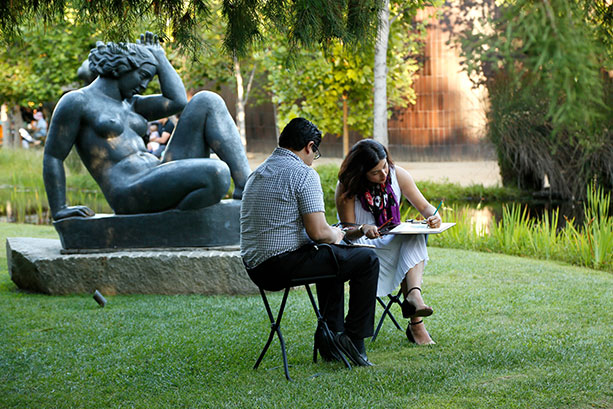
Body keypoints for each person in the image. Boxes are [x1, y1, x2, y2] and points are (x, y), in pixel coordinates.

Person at [43, 32, 251, 220]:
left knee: (207, 100)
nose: (143, 86)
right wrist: (59, 208)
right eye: (143, 76)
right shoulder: (77, 101)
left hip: (158, 173)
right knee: (216, 172)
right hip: (129, 190)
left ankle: (248, 190)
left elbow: (178, 101)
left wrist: (159, 58)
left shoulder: (133, 104)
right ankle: (175, 222)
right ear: (122, 67)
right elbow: (53, 156)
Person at [240, 118, 380, 366]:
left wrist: (331, 239)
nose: (313, 158)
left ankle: (329, 339)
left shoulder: (257, 173)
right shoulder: (303, 174)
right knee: (367, 259)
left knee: (331, 257)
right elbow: (318, 233)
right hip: (282, 264)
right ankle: (354, 339)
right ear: (309, 146)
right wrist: (338, 234)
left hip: (256, 268)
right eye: (315, 153)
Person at [335, 139, 442, 345]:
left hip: (391, 242)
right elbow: (345, 233)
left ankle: (414, 297)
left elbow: (426, 207)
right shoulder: (347, 186)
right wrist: (361, 229)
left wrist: (433, 217)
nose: (384, 175)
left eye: (384, 166)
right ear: (360, 171)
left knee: (414, 234)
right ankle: (416, 323)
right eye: (375, 172)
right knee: (406, 246)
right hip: (363, 249)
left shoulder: (398, 174)